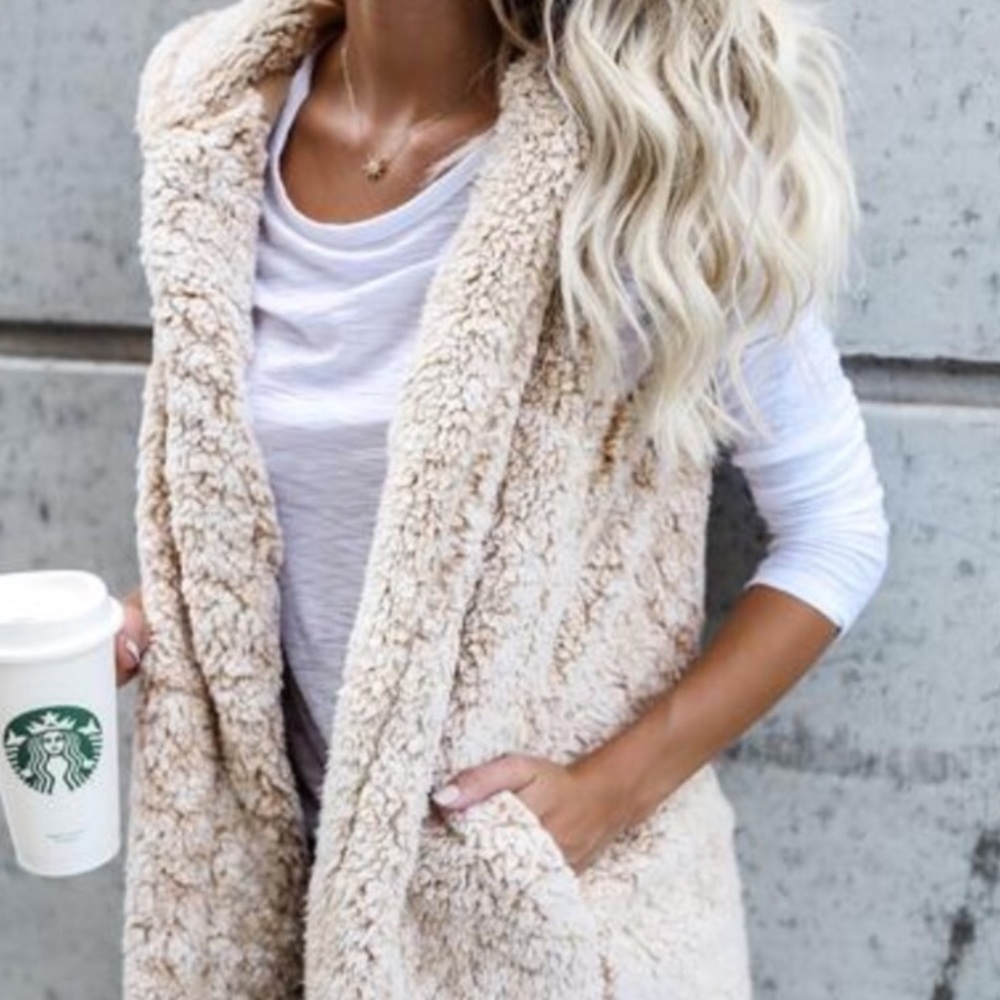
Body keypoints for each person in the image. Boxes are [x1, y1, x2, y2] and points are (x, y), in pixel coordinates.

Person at [116, 1, 889, 997]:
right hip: (289, 924)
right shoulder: (215, 126)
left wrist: (609, 793)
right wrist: (170, 613)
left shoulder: (648, 150)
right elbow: (278, 515)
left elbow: (836, 531)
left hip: (562, 933)